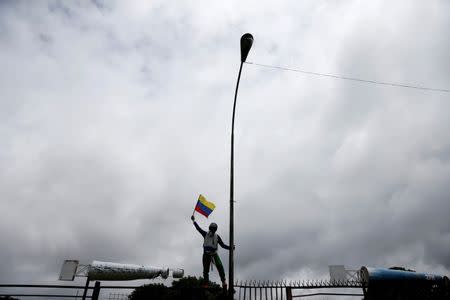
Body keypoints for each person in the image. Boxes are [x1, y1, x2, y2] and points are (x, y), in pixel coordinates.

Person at [191, 215, 232, 289]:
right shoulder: (205, 234)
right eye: (211, 229)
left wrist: (230, 248)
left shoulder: (217, 237)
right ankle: (206, 283)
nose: (212, 231)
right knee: (205, 270)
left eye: (213, 230)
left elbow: (222, 245)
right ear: (209, 229)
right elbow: (198, 228)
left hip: (214, 254)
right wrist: (194, 221)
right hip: (206, 254)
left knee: (220, 266)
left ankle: (223, 282)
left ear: (215, 230)